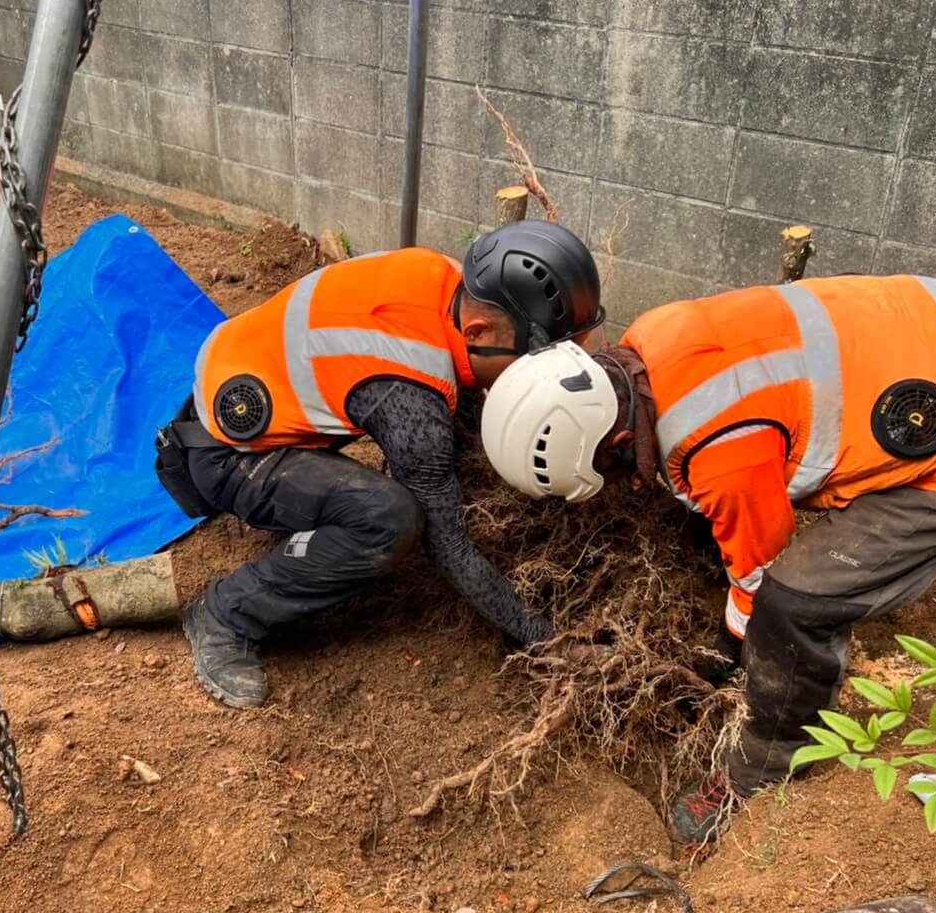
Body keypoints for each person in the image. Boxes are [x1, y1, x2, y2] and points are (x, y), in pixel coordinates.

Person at [476, 273, 936, 842]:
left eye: (612, 473)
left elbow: (759, 576)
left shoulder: (723, 459)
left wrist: (727, 657)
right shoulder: (650, 339)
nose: (622, 486)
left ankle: (763, 769)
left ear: (618, 443)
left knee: (795, 601)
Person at [154, 220, 605, 709]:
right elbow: (448, 545)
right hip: (224, 455)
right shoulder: (408, 391)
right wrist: (542, 636)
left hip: (241, 376)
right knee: (389, 519)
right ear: (478, 330)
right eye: (530, 360)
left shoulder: (449, 280)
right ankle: (227, 615)